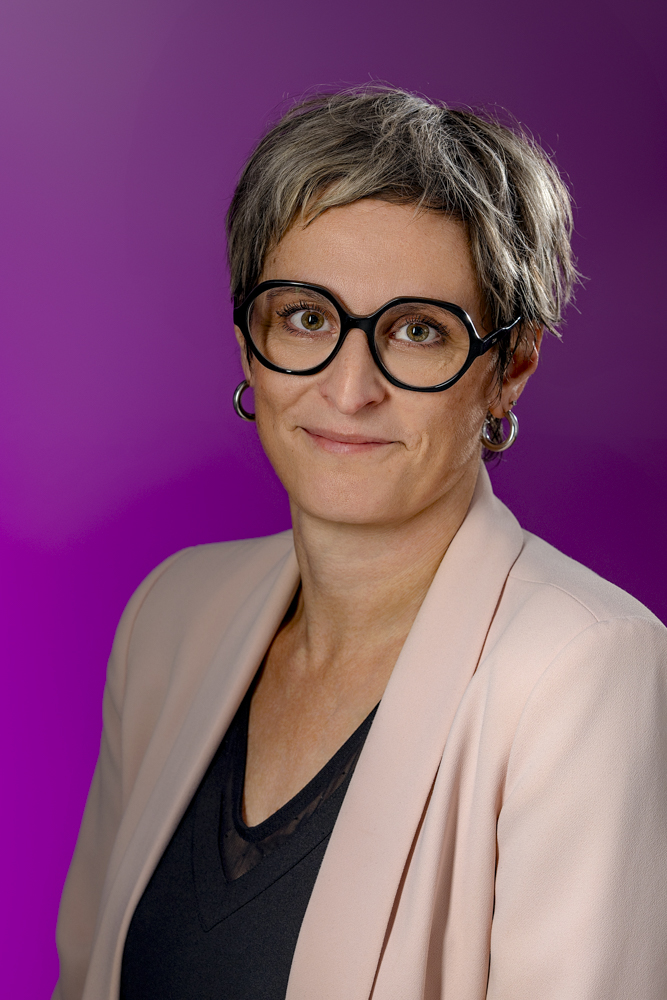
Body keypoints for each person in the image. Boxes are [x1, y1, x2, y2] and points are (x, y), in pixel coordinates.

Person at [53, 87, 667, 1000]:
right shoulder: (170, 615)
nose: (348, 390)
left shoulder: (583, 670)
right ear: (248, 340)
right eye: (305, 316)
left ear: (510, 367)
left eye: (417, 332)